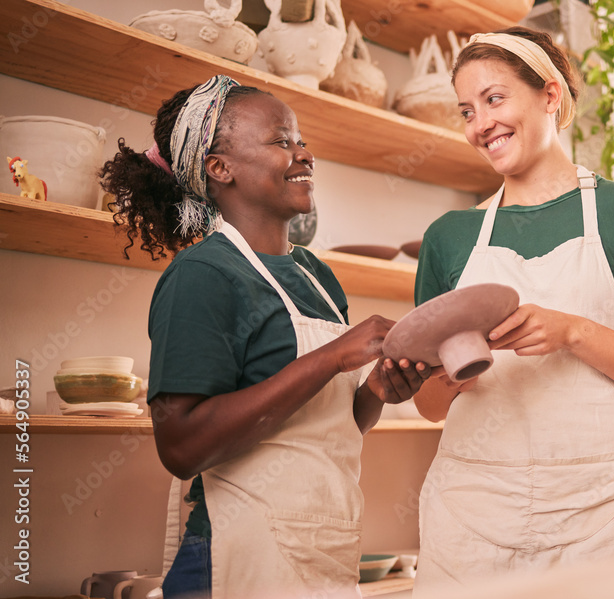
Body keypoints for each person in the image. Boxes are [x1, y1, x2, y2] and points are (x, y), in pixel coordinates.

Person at [99, 75, 430, 599]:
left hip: (325, 552)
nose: (304, 154)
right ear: (220, 168)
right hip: (239, 557)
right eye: (282, 141)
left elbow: (333, 427)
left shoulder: (318, 277)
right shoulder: (202, 275)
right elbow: (181, 446)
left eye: (300, 140)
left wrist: (377, 392)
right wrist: (333, 357)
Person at [411, 27, 614, 592]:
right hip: (472, 513)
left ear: (550, 95)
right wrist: (451, 373)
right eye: (466, 111)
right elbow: (428, 405)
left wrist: (572, 332)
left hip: (604, 513)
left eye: (495, 99)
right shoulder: (449, 237)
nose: (480, 124)